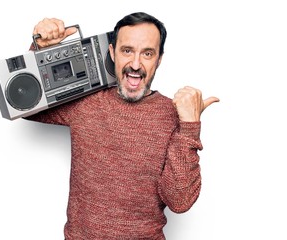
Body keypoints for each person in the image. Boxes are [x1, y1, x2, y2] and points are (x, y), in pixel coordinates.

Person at [26, 12, 219, 239]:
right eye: (127, 50)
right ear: (112, 53)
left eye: (147, 53)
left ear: (159, 59)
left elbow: (180, 201)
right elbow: (27, 106)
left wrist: (189, 125)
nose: (135, 64)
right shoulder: (86, 102)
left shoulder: (173, 114)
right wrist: (39, 50)